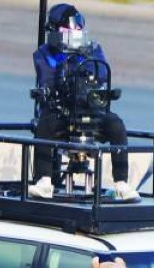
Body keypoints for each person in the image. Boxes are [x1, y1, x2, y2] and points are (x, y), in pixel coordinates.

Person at [30, 3, 138, 201]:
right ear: (55, 31)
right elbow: (48, 79)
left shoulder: (93, 50)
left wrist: (85, 68)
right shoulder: (44, 54)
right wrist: (69, 70)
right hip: (61, 110)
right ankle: (44, 181)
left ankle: (121, 183)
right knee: (44, 127)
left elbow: (103, 73)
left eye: (78, 29)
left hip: (89, 107)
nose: (75, 34)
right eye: (69, 30)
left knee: (116, 126)